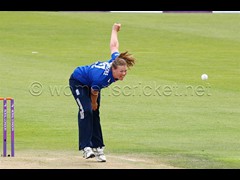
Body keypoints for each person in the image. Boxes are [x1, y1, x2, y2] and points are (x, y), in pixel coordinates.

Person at [69, 23, 135, 162]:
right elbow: (94, 92)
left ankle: (98, 147)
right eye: (121, 72)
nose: (124, 74)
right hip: (78, 81)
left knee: (95, 113)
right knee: (86, 110)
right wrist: (93, 103)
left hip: (92, 83)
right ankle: (86, 147)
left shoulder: (114, 61)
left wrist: (114, 30)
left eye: (125, 71)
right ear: (114, 70)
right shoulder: (103, 78)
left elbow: (114, 46)